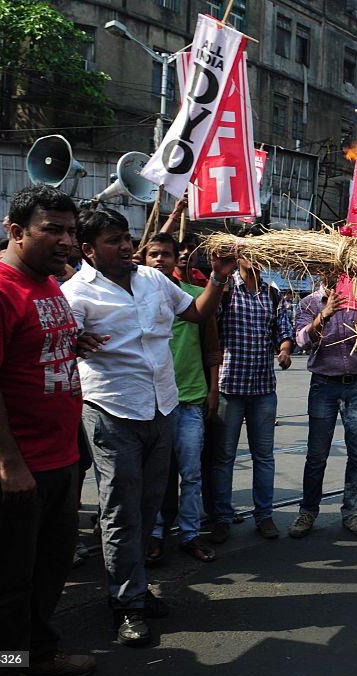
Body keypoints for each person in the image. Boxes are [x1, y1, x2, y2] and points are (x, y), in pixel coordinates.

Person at [62, 208, 236, 647]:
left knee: (148, 506)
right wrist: (72, 342)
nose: (126, 247)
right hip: (111, 411)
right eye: (113, 241)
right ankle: (128, 605)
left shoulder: (154, 280)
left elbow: (195, 315)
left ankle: (134, 589)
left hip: (163, 409)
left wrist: (217, 278)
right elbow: (55, 347)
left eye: (126, 238)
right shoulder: (74, 294)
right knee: (120, 510)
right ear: (88, 250)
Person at [0, 185, 95, 676]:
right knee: (5, 580)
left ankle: (36, 655)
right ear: (16, 231)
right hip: (8, 471)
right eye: (52, 230)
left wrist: (76, 341)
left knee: (47, 570)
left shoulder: (47, 281)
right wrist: (9, 464)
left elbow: (35, 348)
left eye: (71, 231)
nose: (66, 241)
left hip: (58, 461)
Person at [144, 233, 221, 563]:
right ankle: (155, 534)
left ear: (178, 260)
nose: (160, 259)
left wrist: (213, 390)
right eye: (153, 254)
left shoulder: (194, 298)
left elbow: (212, 351)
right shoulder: (132, 297)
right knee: (156, 476)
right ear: (144, 259)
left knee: (190, 474)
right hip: (152, 404)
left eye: (166, 254)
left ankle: (189, 534)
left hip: (190, 401)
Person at [208, 256, 294, 544]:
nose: (255, 261)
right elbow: (210, 322)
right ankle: (221, 517)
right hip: (228, 388)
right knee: (224, 458)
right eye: (249, 254)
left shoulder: (272, 293)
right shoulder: (227, 289)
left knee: (264, 457)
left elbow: (284, 331)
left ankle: (264, 515)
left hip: (263, 389)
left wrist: (284, 350)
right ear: (239, 258)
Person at [289, 281, 357, 539]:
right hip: (323, 386)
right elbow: (301, 340)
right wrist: (322, 317)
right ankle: (308, 511)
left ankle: (351, 511)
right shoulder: (309, 303)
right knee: (317, 455)